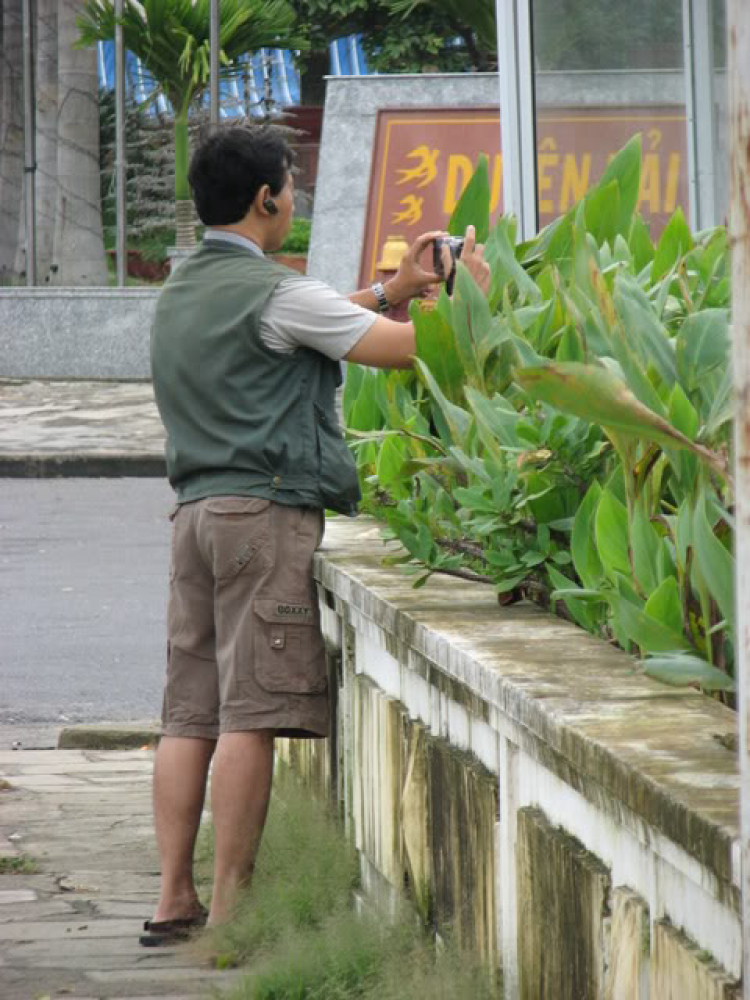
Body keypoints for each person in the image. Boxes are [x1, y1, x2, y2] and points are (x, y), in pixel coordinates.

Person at [143, 124, 490, 946]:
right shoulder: (272, 289)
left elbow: (312, 323)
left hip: (193, 516)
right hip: (261, 516)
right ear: (267, 198)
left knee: (187, 712)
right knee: (249, 714)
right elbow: (402, 353)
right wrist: (468, 294)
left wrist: (393, 286)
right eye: (290, 188)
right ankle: (234, 911)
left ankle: (172, 901)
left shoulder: (181, 289)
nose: (292, 201)